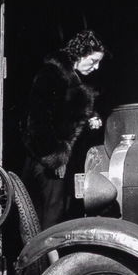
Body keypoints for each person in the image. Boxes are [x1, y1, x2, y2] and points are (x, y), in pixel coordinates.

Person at [25, 30, 106, 226]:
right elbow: (38, 122)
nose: (96, 67)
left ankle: (52, 256)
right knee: (51, 213)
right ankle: (46, 256)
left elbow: (69, 114)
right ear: (80, 54)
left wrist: (92, 117)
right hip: (47, 161)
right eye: (93, 61)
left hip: (63, 160)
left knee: (59, 210)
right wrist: (55, 159)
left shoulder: (76, 78)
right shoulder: (52, 75)